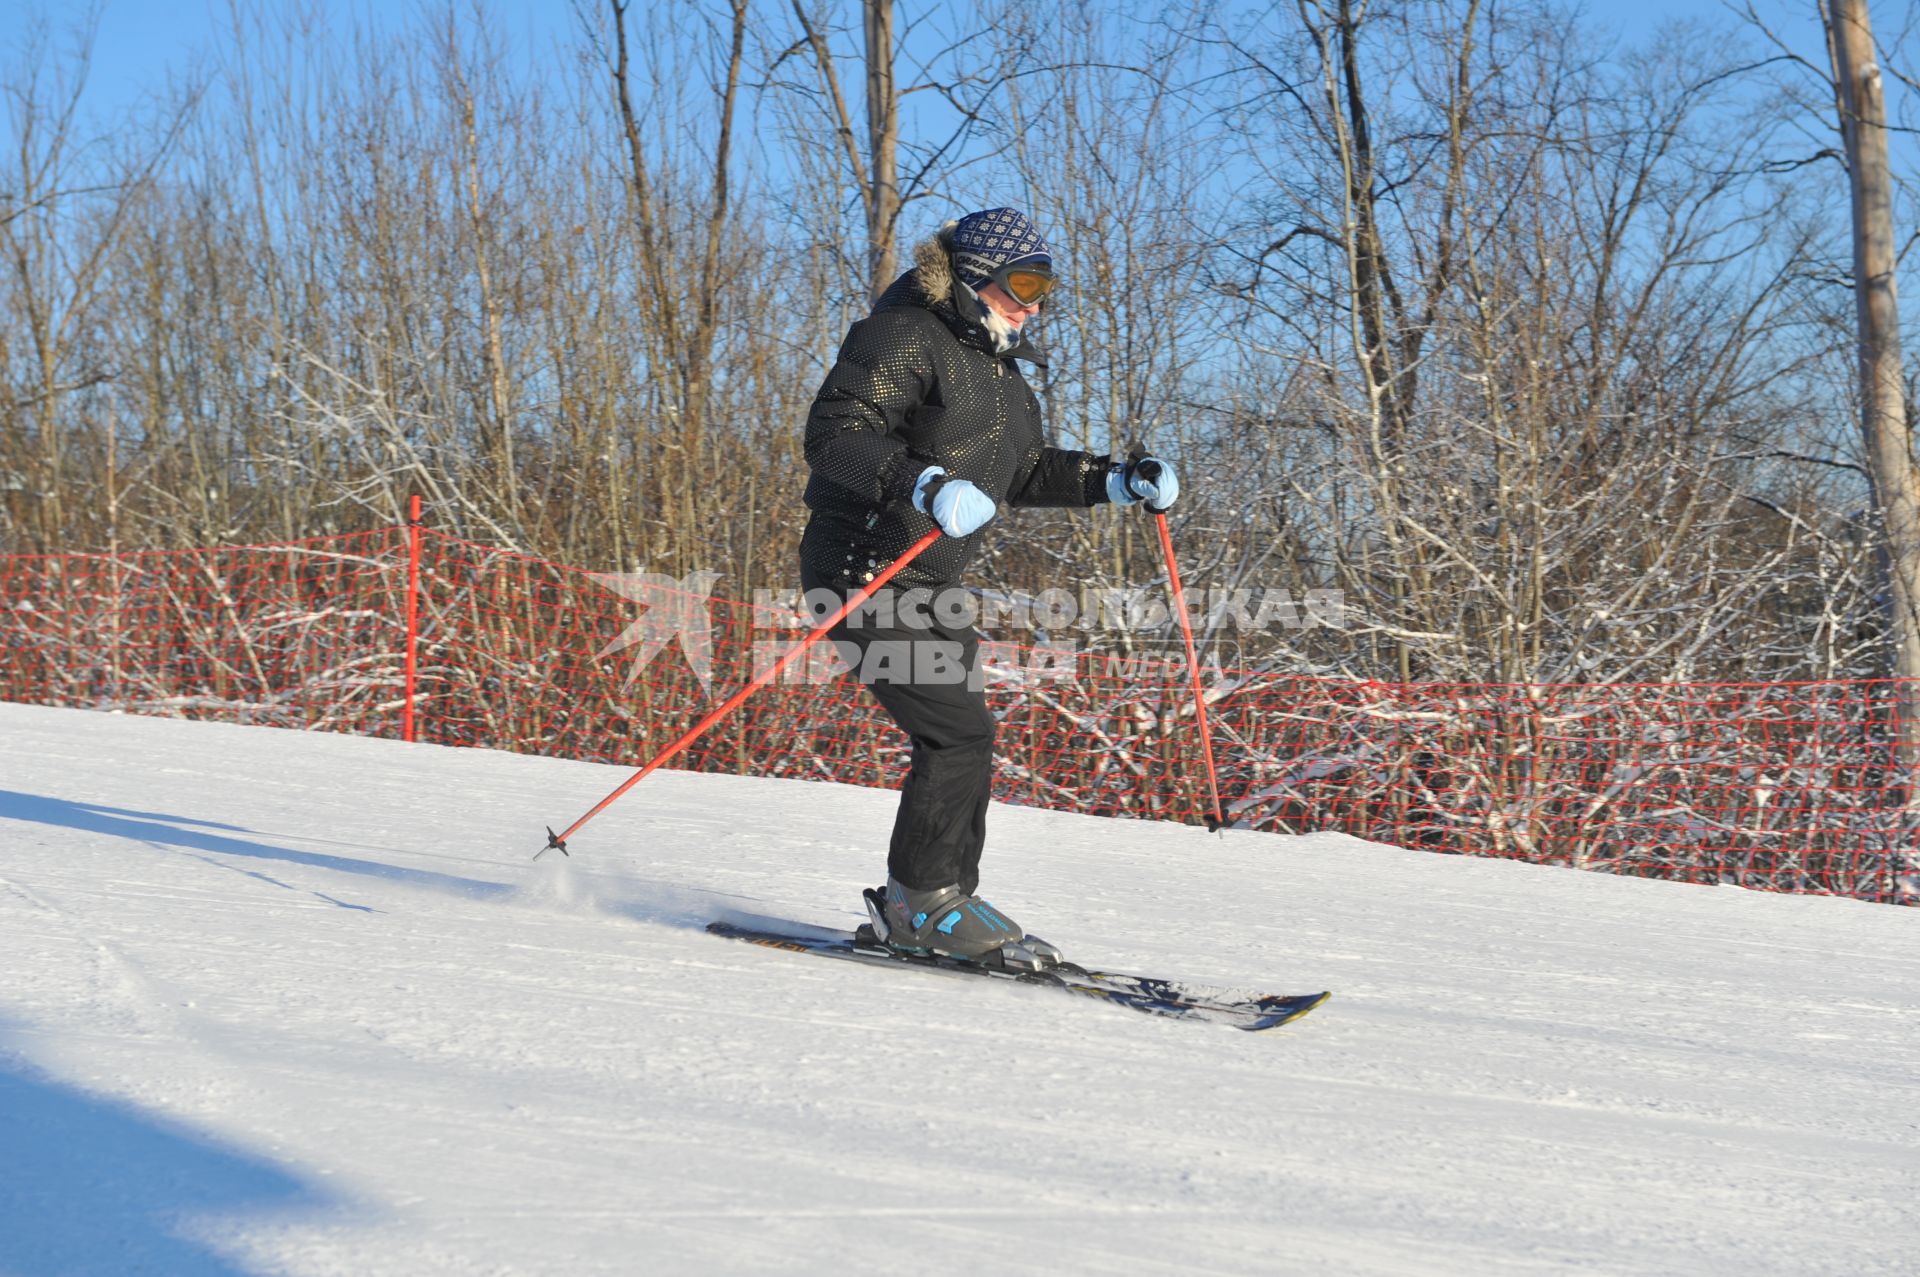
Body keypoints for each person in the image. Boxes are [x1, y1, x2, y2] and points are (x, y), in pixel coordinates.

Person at [799, 206, 1179, 968]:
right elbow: (835, 435)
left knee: (968, 734)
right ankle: (920, 902)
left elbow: (1025, 471)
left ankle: (945, 898)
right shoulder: (902, 333)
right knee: (957, 732)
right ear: (974, 280)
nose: (1034, 302)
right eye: (1021, 284)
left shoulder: (1001, 375)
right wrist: (924, 482)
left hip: (931, 583)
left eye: (1045, 286)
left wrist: (1115, 480)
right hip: (863, 572)